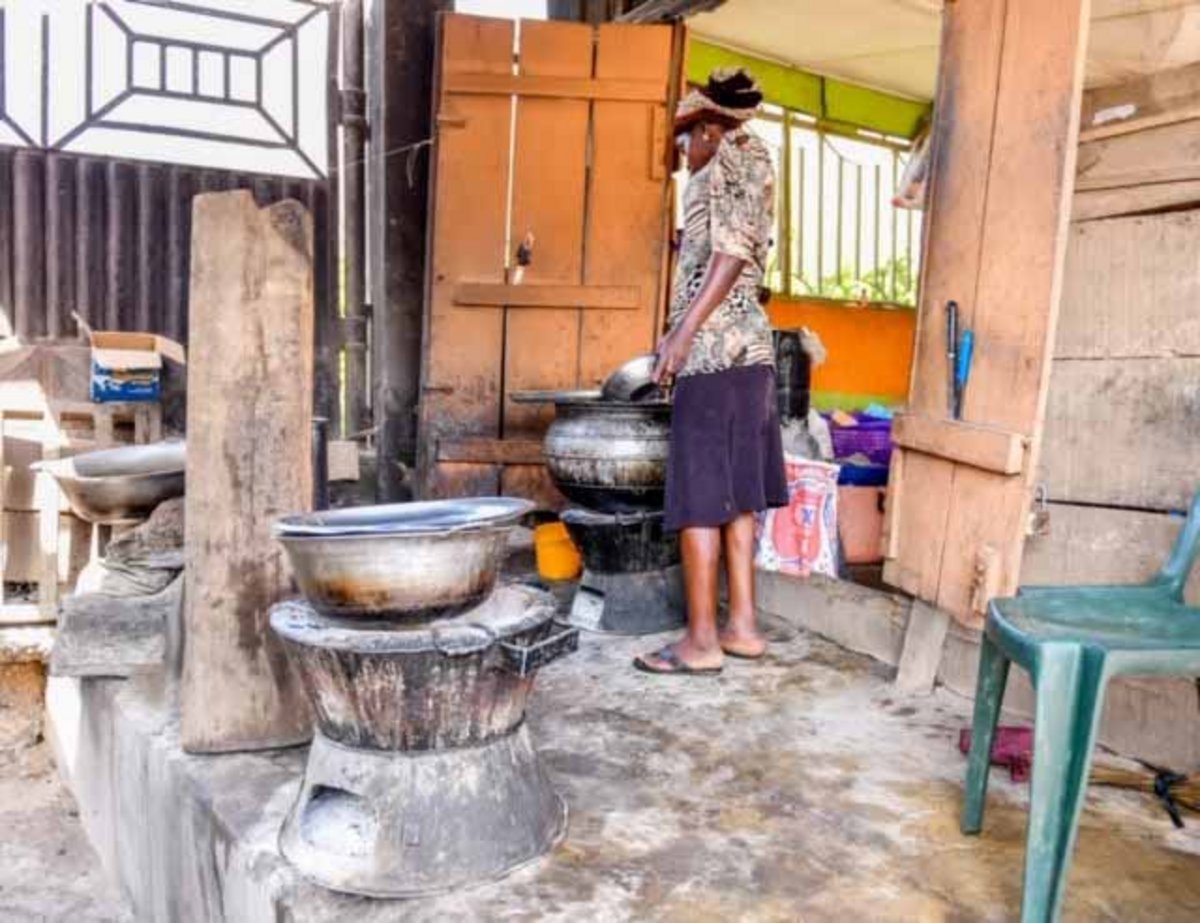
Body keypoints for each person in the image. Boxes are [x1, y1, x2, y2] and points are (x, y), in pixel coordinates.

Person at [634, 68, 787, 676]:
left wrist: (681, 333)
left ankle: (700, 641)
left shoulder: (721, 163)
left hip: (713, 353)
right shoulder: (758, 159)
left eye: (683, 139)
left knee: (699, 496)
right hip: (751, 352)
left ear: (707, 129)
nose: (681, 152)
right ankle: (742, 625)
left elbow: (731, 254)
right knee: (738, 492)